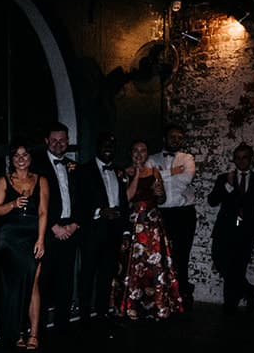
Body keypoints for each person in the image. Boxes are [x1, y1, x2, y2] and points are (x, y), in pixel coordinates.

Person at [110, 139, 183, 320]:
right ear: (130, 153)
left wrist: (160, 193)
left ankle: (156, 305)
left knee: (154, 265)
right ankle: (130, 305)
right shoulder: (123, 173)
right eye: (135, 150)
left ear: (147, 154)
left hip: (152, 224)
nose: (139, 154)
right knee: (131, 265)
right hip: (133, 223)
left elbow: (161, 200)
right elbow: (126, 198)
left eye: (143, 151)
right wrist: (135, 175)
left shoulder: (155, 172)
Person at [0, 141, 49, 349]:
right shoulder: (3, 181)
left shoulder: (41, 180)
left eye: (25, 155)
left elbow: (43, 212)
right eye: (17, 155)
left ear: (30, 158)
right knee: (13, 287)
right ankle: (16, 333)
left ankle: (33, 333)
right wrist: (13, 204)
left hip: (33, 236)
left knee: (33, 283)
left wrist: (41, 239)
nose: (21, 158)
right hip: (10, 238)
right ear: (12, 159)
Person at [207, 142, 254, 315]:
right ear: (234, 159)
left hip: (247, 229)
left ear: (251, 159)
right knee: (220, 261)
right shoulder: (225, 178)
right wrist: (228, 186)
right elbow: (212, 201)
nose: (241, 161)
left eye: (244, 157)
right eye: (237, 158)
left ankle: (230, 305)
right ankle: (249, 290)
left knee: (237, 267)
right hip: (225, 228)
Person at [73, 134, 125, 332]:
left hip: (113, 232)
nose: (108, 148)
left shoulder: (118, 171)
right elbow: (77, 203)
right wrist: (99, 212)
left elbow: (124, 202)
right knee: (87, 274)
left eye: (111, 145)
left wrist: (125, 230)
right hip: (92, 232)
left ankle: (102, 313)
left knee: (106, 274)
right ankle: (84, 316)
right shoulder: (84, 170)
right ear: (97, 147)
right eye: (104, 145)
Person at [36, 123, 82, 340]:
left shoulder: (74, 166)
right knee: (44, 282)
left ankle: (63, 327)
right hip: (48, 231)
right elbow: (35, 201)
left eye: (62, 140)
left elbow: (83, 199)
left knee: (66, 281)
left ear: (67, 140)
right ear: (46, 141)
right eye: (54, 140)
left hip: (70, 230)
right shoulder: (36, 166)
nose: (58, 144)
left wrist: (73, 225)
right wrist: (54, 227)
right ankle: (40, 330)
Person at [148, 123, 197, 312]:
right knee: (161, 257)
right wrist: (170, 173)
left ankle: (182, 296)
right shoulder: (152, 159)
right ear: (164, 139)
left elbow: (186, 179)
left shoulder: (188, 158)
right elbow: (150, 179)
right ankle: (162, 297)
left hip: (184, 214)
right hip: (162, 213)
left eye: (179, 137)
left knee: (182, 256)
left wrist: (160, 176)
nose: (176, 140)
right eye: (172, 137)